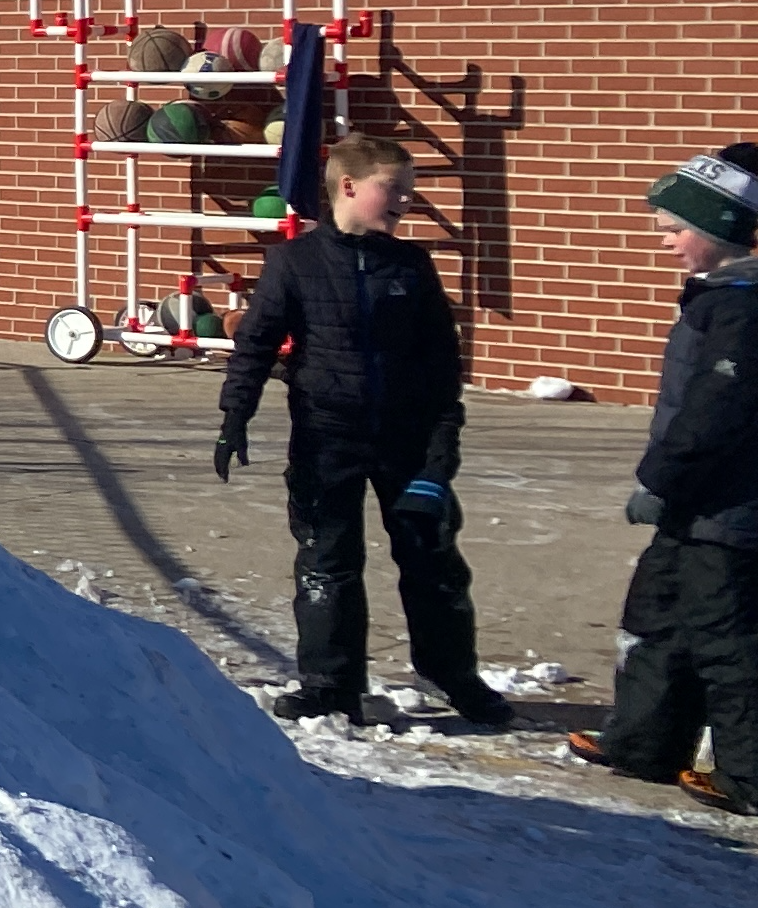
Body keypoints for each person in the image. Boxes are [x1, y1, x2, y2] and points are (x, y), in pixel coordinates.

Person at [212, 133, 506, 728]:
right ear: (349, 186)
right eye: (393, 190)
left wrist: (441, 449)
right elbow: (255, 344)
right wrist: (234, 416)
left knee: (434, 560)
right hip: (327, 439)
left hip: (408, 442)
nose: (405, 202)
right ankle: (330, 685)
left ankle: (455, 675)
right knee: (327, 561)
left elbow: (442, 364)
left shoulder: (411, 263)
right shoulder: (295, 262)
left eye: (409, 192)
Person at [571, 145, 758, 809]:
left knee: (727, 639)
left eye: (677, 231)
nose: (668, 244)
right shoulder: (719, 297)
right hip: (695, 507)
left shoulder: (742, 308)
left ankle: (747, 774)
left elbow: (716, 413)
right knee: (656, 616)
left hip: (726, 511)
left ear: (723, 229)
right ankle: (645, 741)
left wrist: (660, 479)